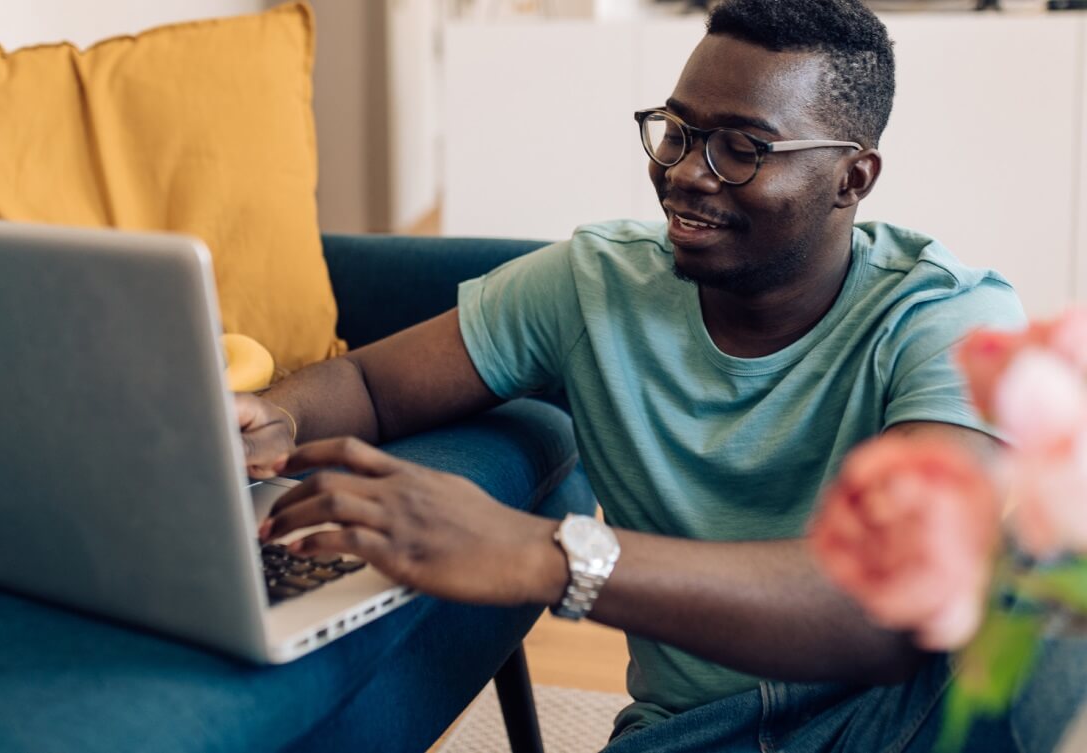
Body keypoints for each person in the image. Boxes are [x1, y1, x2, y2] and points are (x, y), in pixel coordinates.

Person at [237, 0, 1084, 750]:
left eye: (741, 150)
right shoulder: (591, 282)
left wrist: (551, 556)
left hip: (895, 718)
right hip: (689, 731)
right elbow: (375, 388)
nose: (684, 172)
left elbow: (894, 595)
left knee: (1059, 623)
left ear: (852, 178)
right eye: (677, 131)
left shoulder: (948, 319)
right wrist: (274, 415)